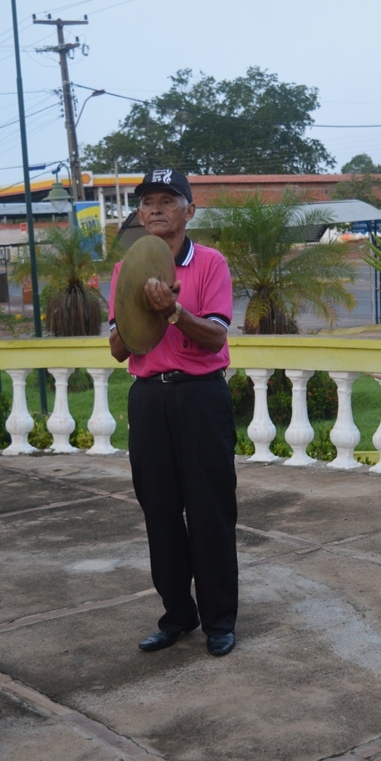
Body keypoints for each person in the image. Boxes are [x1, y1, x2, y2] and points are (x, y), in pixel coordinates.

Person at [109, 169, 238, 657]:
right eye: (147, 202)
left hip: (200, 397)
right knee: (159, 512)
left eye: (168, 199)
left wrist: (172, 313)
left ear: (190, 210)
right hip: (148, 399)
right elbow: (121, 352)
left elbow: (217, 337)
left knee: (209, 512)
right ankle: (175, 616)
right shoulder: (128, 268)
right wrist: (131, 319)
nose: (156, 208)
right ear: (139, 213)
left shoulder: (209, 263)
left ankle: (220, 621)